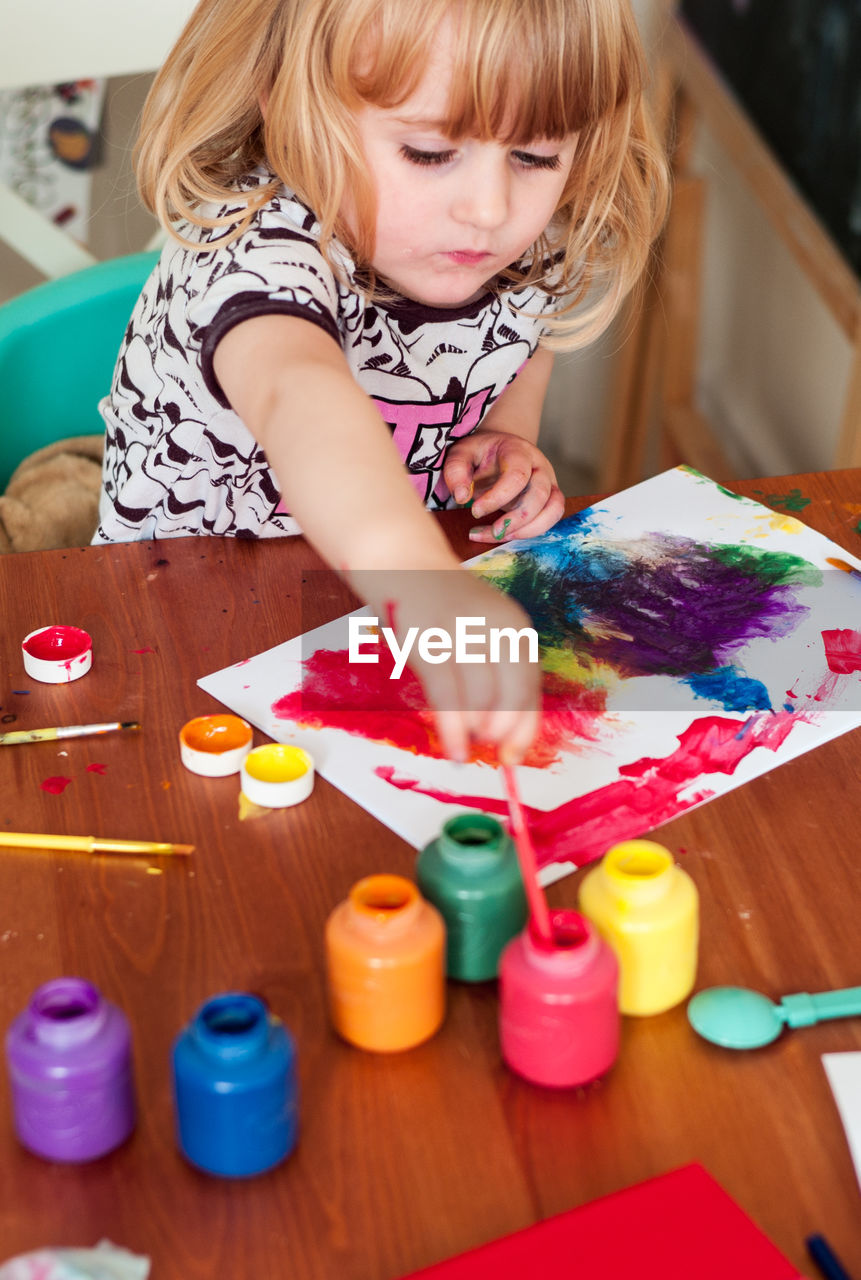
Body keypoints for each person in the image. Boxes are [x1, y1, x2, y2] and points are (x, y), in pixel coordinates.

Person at [94, 0, 668, 764]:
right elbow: (299, 395)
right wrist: (422, 586)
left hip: (359, 619)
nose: (489, 210)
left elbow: (523, 336)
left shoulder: (524, 238)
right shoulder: (252, 251)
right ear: (294, 108)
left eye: (535, 156)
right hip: (173, 625)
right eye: (430, 153)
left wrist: (508, 432)